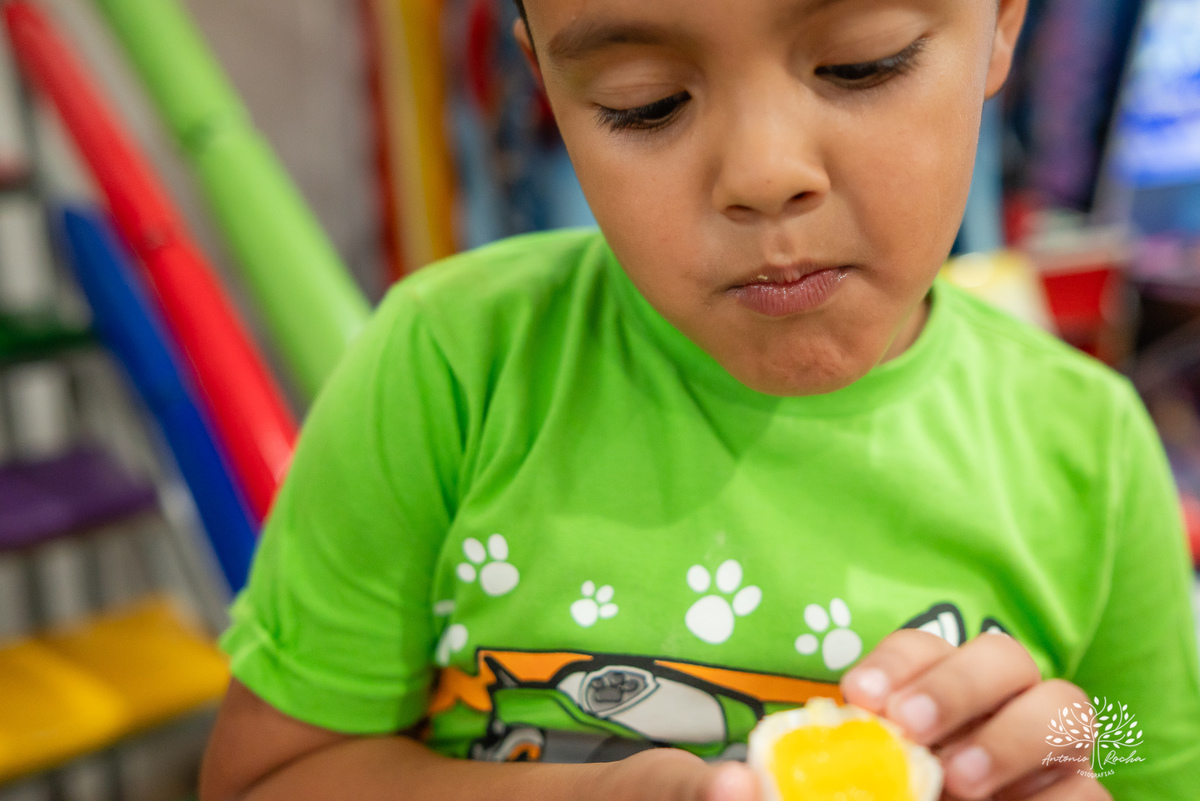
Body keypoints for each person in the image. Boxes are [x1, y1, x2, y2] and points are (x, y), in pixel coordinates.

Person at [198, 0, 1200, 799]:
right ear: (547, 82)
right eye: (645, 102)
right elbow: (270, 774)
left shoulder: (1089, 445)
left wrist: (1045, 740)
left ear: (1003, 26)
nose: (764, 176)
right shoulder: (453, 368)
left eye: (861, 63)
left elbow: (1126, 734)